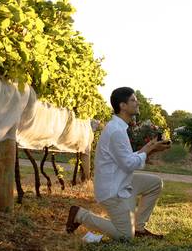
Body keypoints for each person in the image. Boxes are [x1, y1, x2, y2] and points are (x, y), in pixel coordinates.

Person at [65, 87, 170, 240]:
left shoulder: (119, 127)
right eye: (133, 100)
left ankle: (139, 228)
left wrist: (150, 148)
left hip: (122, 181)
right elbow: (128, 164)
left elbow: (126, 159)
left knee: (155, 183)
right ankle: (80, 215)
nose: (137, 102)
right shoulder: (116, 131)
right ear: (123, 106)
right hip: (112, 190)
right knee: (125, 235)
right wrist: (150, 149)